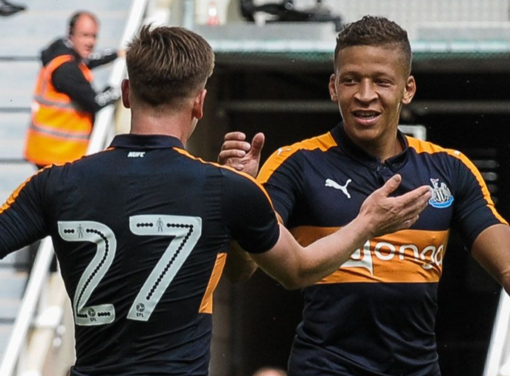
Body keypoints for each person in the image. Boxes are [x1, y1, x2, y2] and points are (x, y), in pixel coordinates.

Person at [0, 25, 431, 376]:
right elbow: (297, 271)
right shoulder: (226, 189)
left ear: (128, 93)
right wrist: (368, 222)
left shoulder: (54, 184)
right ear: (200, 103)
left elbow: (248, 268)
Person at [218, 16, 510, 376]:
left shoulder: (450, 169)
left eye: (381, 81)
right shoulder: (295, 164)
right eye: (351, 81)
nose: (365, 96)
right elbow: (241, 269)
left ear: (407, 88)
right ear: (333, 87)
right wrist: (242, 199)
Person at [24, 10, 122, 169]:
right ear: (71, 35)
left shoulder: (61, 53)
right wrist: (121, 90)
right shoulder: (66, 70)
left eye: (94, 36)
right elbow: (95, 101)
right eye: (84, 35)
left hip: (50, 151)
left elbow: (87, 61)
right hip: (57, 155)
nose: (90, 42)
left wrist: (117, 54)